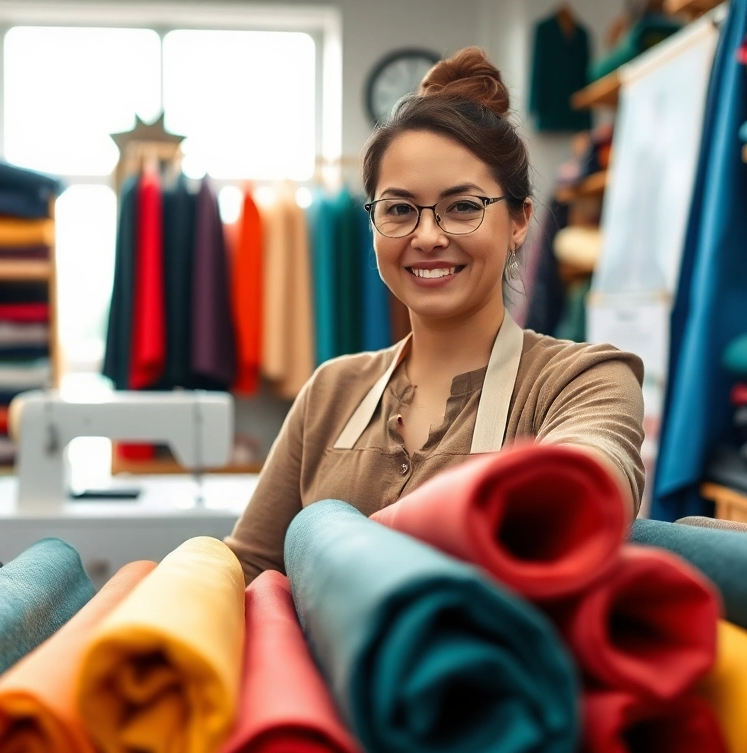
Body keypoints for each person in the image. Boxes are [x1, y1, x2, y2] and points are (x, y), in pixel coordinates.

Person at [224, 47, 645, 584]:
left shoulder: (581, 382)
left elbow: (586, 486)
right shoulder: (331, 392)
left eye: (463, 207)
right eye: (399, 209)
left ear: (519, 220)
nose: (428, 236)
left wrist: (341, 542)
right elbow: (248, 567)